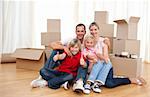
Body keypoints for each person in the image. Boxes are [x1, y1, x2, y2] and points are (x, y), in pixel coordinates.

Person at [86, 22, 146, 94]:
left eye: (95, 29)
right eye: (91, 30)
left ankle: (129, 79)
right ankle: (96, 81)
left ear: (98, 30)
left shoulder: (104, 40)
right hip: (95, 66)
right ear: (89, 31)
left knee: (109, 84)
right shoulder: (88, 41)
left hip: (105, 65)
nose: (93, 31)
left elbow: (106, 57)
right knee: (98, 78)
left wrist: (99, 55)